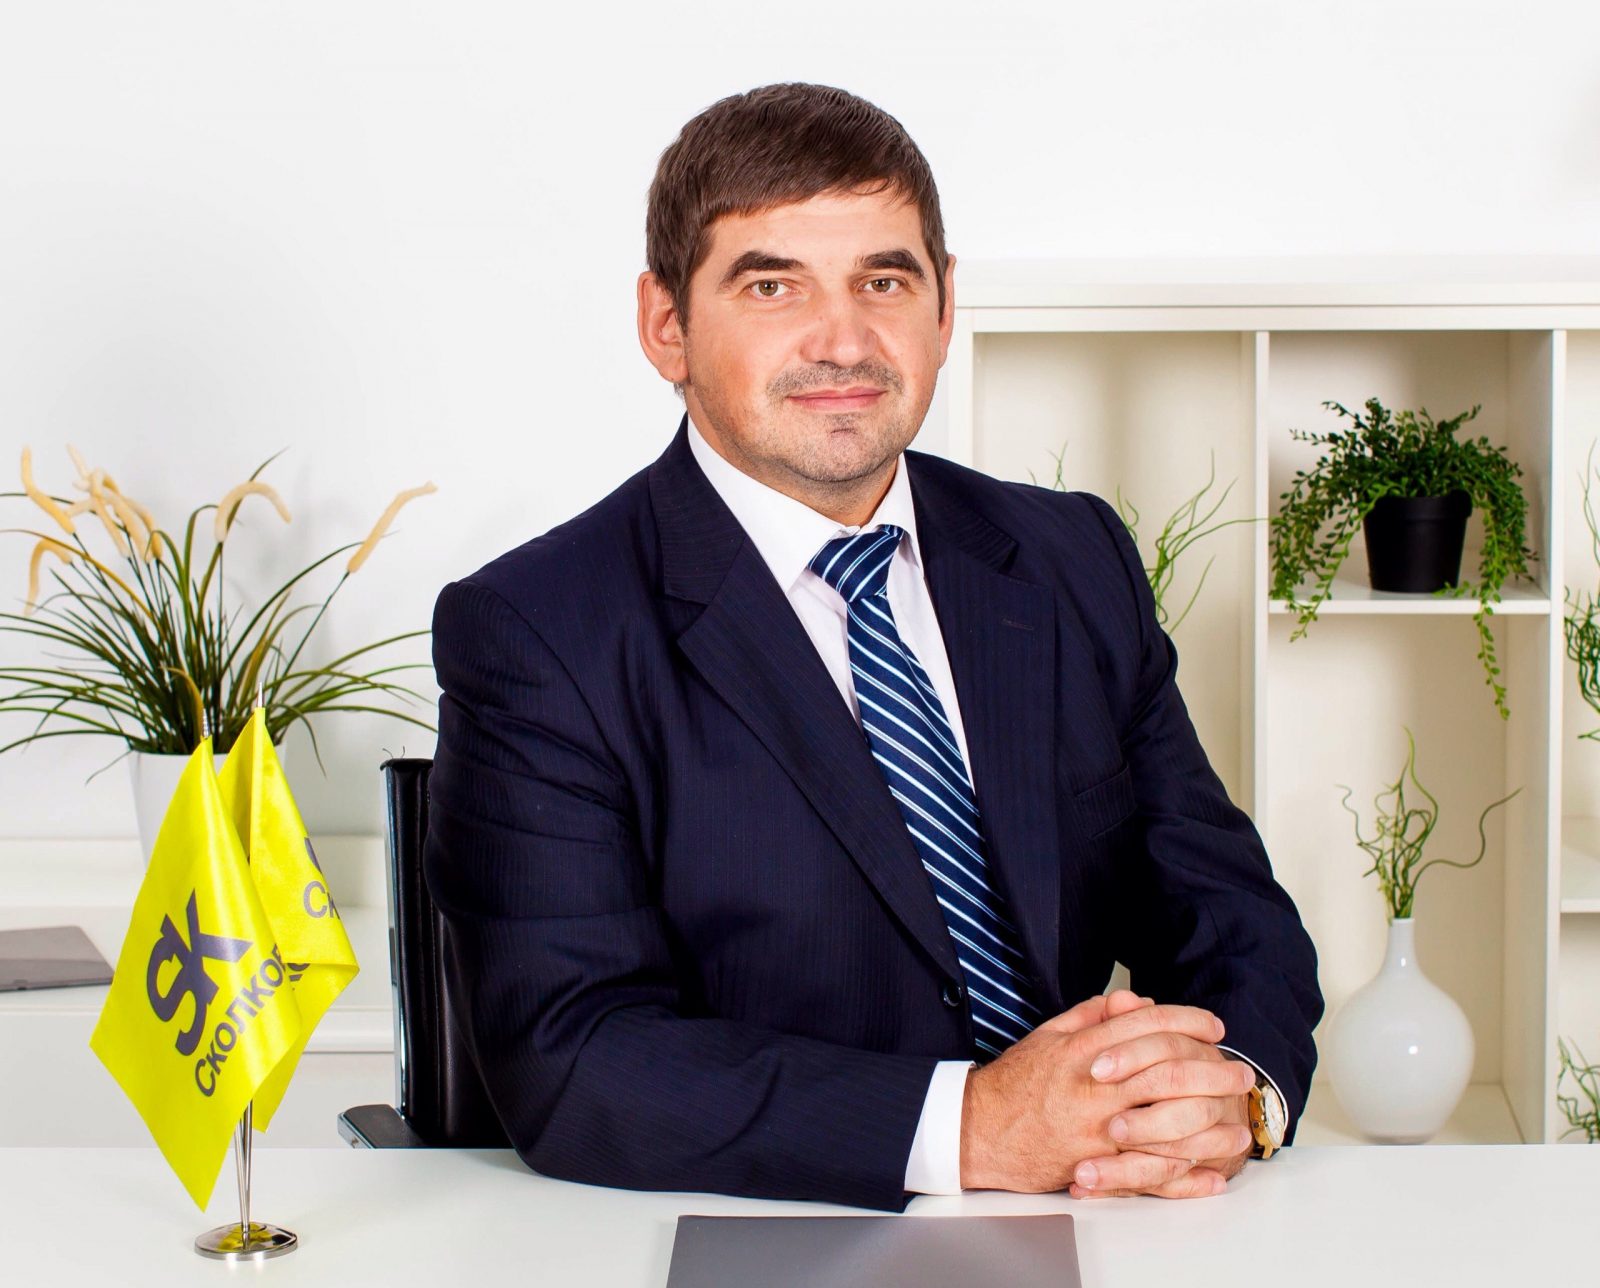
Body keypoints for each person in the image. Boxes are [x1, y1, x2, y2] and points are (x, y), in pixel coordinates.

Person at [423, 81, 1322, 1212]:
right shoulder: (540, 629)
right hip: (770, 1228)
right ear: (667, 326)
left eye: (884, 281)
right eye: (771, 285)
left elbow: (1226, 910)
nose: (843, 340)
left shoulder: (1069, 558)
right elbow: (572, 1059)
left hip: (1108, 1205)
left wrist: (1229, 1095)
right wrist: (973, 1130)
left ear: (943, 309)